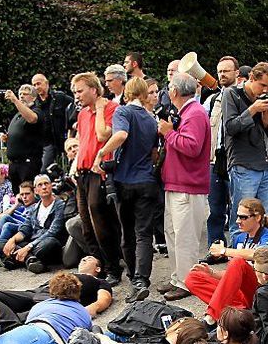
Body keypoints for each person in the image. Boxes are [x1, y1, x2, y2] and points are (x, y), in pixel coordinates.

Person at [92, 76, 158, 301]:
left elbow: (120, 135)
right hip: (147, 180)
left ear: (128, 93)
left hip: (125, 181)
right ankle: (142, 278)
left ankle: (134, 278)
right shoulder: (151, 119)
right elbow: (154, 153)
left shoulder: (123, 112)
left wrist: (101, 153)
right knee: (144, 234)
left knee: (127, 234)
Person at [157, 72, 211, 302]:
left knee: (185, 237)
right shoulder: (188, 112)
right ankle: (178, 277)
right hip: (178, 183)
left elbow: (191, 146)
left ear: (175, 92)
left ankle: (187, 282)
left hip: (187, 186)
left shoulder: (195, 113)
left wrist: (169, 133)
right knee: (173, 233)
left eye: (169, 87)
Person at [184, 198, 268, 325]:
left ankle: (213, 316)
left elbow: (257, 254)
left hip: (261, 292)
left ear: (257, 218)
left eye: (243, 217)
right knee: (192, 277)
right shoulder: (240, 238)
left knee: (238, 262)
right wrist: (212, 273)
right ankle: (237, 312)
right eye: (237, 217)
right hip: (242, 295)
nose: (237, 221)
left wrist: (224, 251)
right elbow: (234, 275)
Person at [72, 72, 122, 285]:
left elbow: (103, 136)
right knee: (86, 223)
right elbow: (83, 141)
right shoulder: (82, 114)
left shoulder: (111, 108)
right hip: (82, 172)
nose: (77, 95)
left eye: (80, 90)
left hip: (98, 171)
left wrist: (100, 109)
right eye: (75, 91)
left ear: (94, 89)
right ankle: (98, 265)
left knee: (101, 221)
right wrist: (74, 165)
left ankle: (113, 267)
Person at [223, 62, 268, 215]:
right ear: (252, 78)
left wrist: (266, 120)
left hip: (265, 166)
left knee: (263, 219)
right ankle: (241, 241)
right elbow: (230, 127)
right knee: (242, 219)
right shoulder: (231, 94)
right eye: (263, 85)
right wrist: (253, 109)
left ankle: (260, 240)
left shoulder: (261, 96)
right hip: (243, 167)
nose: (265, 90)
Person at [205, 56, 240, 247]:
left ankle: (238, 247)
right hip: (215, 160)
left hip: (235, 159)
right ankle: (215, 247)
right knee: (215, 209)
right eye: (219, 71)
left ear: (236, 73)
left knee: (237, 207)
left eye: (226, 71)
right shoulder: (212, 100)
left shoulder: (241, 97)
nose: (222, 75)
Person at [0, 174, 66, 272]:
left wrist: (28, 247)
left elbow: (53, 231)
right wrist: (12, 240)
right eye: (40, 185)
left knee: (49, 243)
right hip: (34, 244)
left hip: (47, 244)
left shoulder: (59, 205)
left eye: (46, 184)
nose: (44, 187)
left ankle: (17, 259)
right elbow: (25, 229)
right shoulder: (35, 208)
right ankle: (30, 260)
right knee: (2, 243)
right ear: (36, 191)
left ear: (51, 186)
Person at [3, 83, 44, 190]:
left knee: (28, 192)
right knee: (17, 195)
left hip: (28, 163)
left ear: (34, 97)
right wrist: (8, 138)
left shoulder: (37, 110)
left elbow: (32, 119)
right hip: (14, 163)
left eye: (25, 94)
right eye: (20, 94)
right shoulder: (18, 114)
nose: (21, 96)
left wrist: (15, 100)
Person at [31, 74, 74, 167]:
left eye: (39, 83)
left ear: (46, 83)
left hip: (63, 138)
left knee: (70, 166)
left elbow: (76, 106)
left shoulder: (60, 97)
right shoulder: (35, 104)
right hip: (46, 143)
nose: (36, 87)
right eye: (34, 85)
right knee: (45, 169)